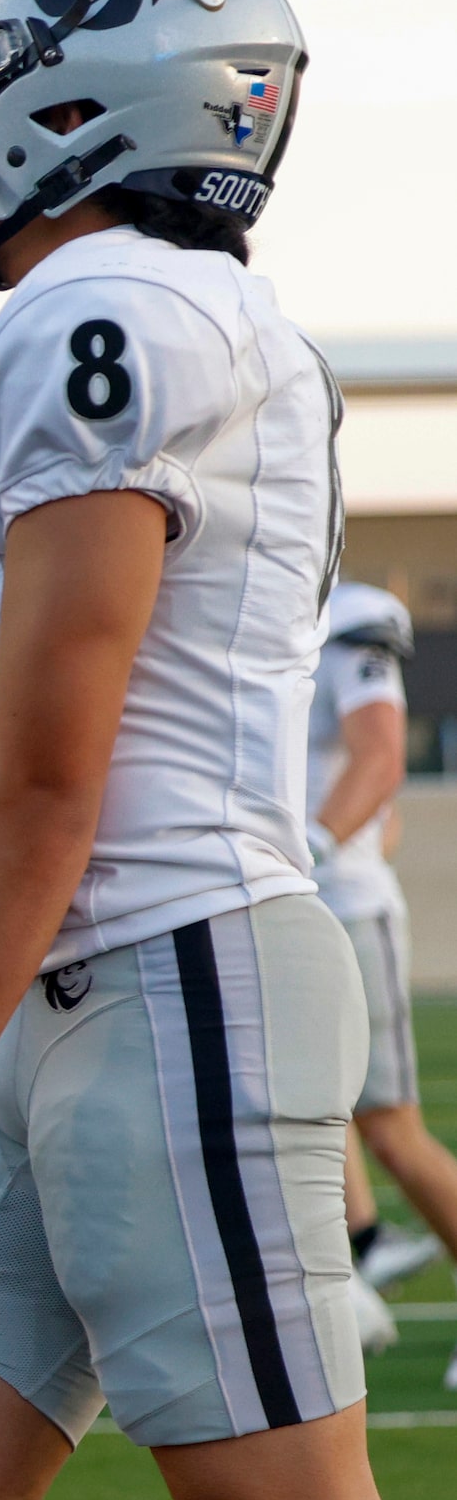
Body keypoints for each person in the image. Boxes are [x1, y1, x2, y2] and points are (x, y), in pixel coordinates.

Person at [0, 0, 400, 1500]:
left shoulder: (111, 316)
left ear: (83, 97)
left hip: (182, 966)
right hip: (76, 989)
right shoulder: (160, 312)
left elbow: (44, 776)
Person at [304, 582, 457, 1377]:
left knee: (392, 1127)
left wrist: (317, 845)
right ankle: (360, 1254)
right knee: (296, 1105)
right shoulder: (236, 606)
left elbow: (382, 754)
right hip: (278, 904)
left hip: (337, 904)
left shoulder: (345, 619)